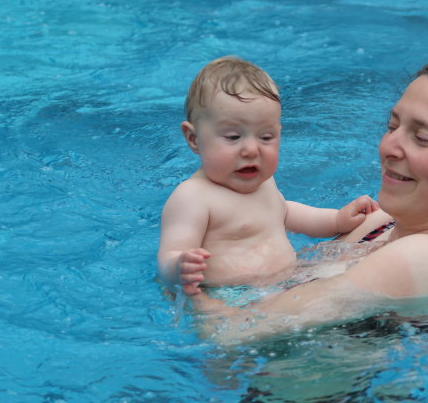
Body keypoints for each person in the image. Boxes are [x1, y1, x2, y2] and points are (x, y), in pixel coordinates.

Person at [192, 57, 428, 341]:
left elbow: (232, 333)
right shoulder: (379, 222)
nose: (389, 147)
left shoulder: (427, 255)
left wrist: (183, 282)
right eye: (392, 126)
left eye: (422, 137)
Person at [157, 56, 378, 296]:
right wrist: (179, 267)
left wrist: (337, 220)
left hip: (287, 283)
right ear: (193, 138)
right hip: (232, 297)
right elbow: (169, 255)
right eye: (233, 137)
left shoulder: (265, 184)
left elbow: (287, 212)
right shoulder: (192, 197)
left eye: (266, 137)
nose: (252, 150)